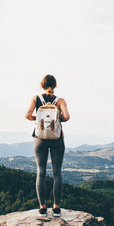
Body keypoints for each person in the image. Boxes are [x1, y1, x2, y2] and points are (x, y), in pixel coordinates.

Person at [25, 74, 70, 217]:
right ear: (55, 86)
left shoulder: (36, 99)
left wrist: (38, 120)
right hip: (56, 138)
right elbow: (67, 117)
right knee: (57, 173)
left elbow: (27, 115)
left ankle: (42, 207)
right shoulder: (60, 100)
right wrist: (56, 120)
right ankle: (56, 208)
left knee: (41, 172)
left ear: (42, 85)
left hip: (40, 138)